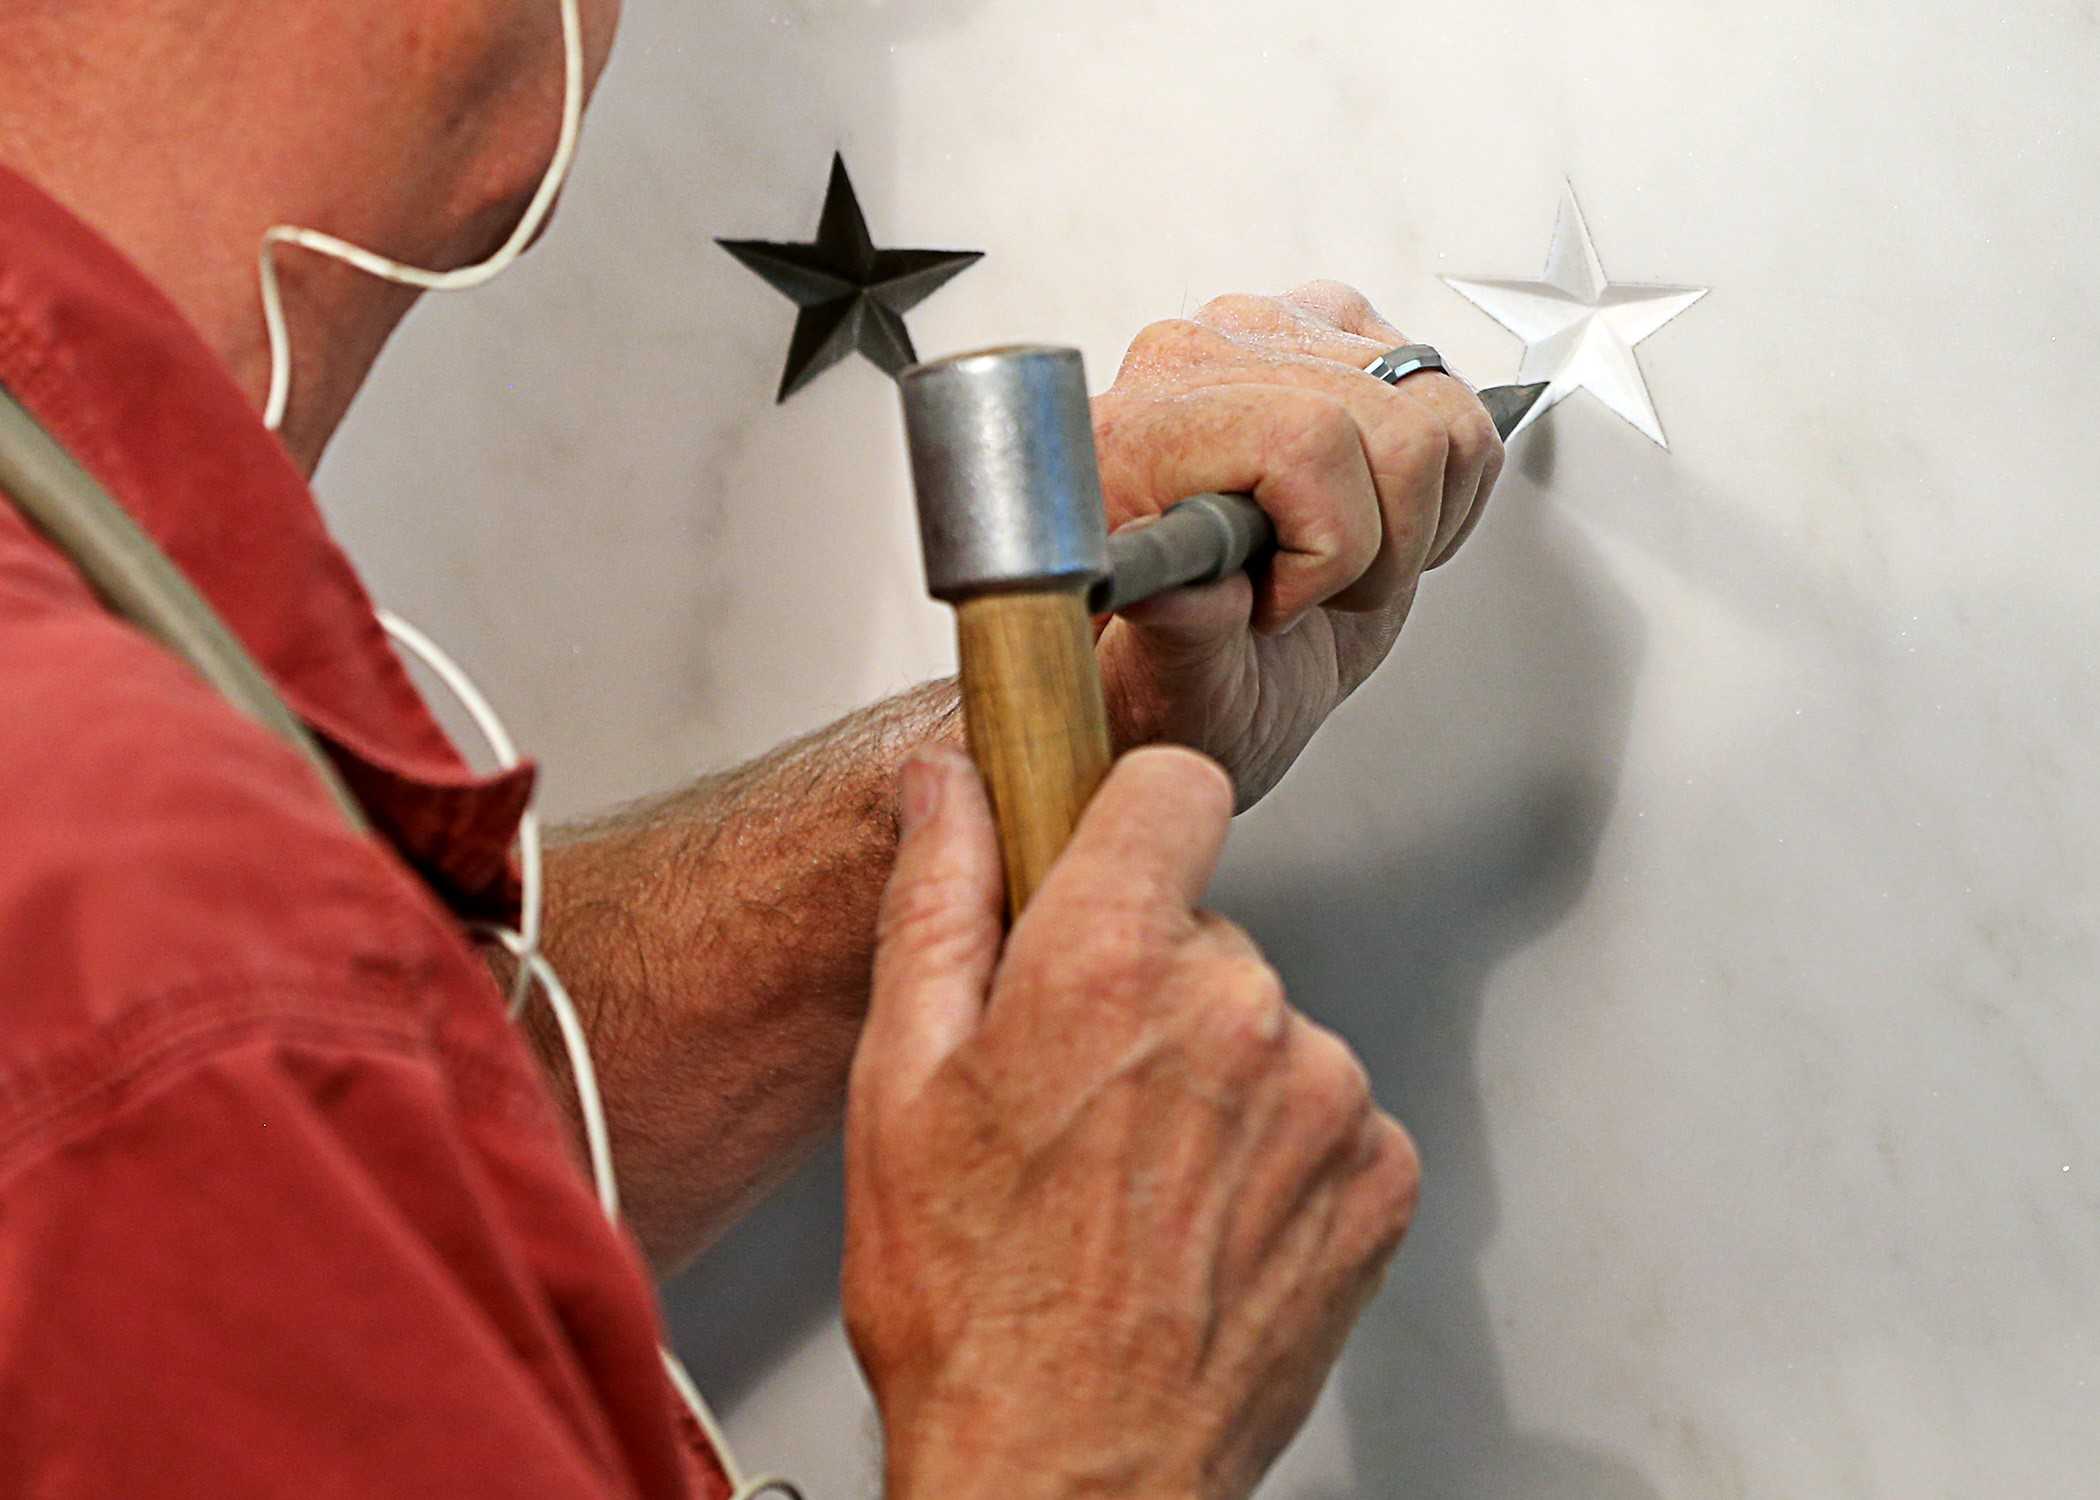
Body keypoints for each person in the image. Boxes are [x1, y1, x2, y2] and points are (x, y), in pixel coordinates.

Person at [0, 2, 1506, 1496]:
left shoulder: (140, 903)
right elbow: (191, 1041)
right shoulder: (129, 906)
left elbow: (304, 1151)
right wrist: (1066, 1434)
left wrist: (1060, 721)